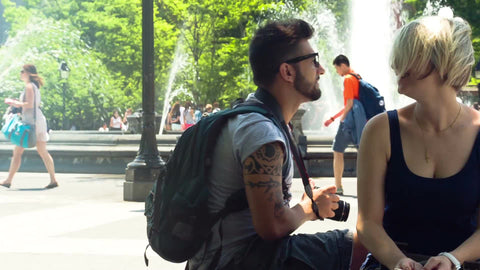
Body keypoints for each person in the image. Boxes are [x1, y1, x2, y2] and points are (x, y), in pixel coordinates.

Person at [188, 19, 366, 270]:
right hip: (236, 261)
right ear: (288, 72)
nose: (322, 70)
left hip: (220, 259)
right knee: (364, 243)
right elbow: (272, 226)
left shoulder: (253, 116)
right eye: (313, 61)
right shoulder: (261, 131)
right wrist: (309, 208)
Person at [356, 15, 480, 270]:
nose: (395, 64)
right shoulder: (380, 130)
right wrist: (398, 261)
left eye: (409, 54)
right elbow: (367, 223)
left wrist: (453, 259)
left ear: (442, 62)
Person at [1, 64, 59, 189]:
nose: (21, 73)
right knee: (42, 151)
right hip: (37, 121)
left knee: (17, 152)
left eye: (22, 71)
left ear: (28, 73)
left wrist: (14, 103)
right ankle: (53, 179)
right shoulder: (34, 86)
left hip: (31, 123)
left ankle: (8, 180)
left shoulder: (29, 86)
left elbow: (29, 104)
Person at [323, 54, 361, 195]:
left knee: (337, 151)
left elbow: (349, 104)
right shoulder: (357, 77)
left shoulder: (348, 79)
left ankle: (338, 186)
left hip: (349, 122)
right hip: (359, 121)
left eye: (337, 69)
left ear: (343, 65)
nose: (337, 72)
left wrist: (341, 120)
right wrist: (333, 118)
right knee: (363, 153)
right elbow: (350, 104)